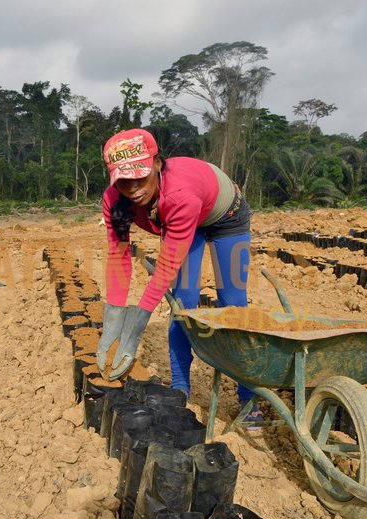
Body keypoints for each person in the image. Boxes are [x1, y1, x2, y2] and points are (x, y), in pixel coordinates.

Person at [97, 128, 262, 425]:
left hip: (226, 214)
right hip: (183, 217)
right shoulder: (113, 200)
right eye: (123, 180)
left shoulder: (179, 194)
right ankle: (180, 387)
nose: (133, 188)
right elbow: (118, 258)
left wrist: (134, 330)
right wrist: (112, 323)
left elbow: (166, 268)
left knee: (233, 302)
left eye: (140, 176)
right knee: (183, 303)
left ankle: (248, 397)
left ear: (158, 164)